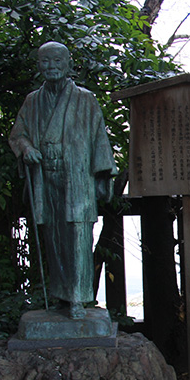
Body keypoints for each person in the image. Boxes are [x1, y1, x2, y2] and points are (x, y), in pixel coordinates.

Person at [8, 42, 117, 319]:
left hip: (78, 177)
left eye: (57, 60)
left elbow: (99, 139)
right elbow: (17, 134)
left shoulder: (85, 99)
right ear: (38, 65)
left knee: (78, 234)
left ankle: (79, 299)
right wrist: (27, 148)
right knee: (53, 236)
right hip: (45, 175)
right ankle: (59, 295)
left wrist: (102, 176)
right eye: (45, 61)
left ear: (68, 63)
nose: (51, 66)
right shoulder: (33, 101)